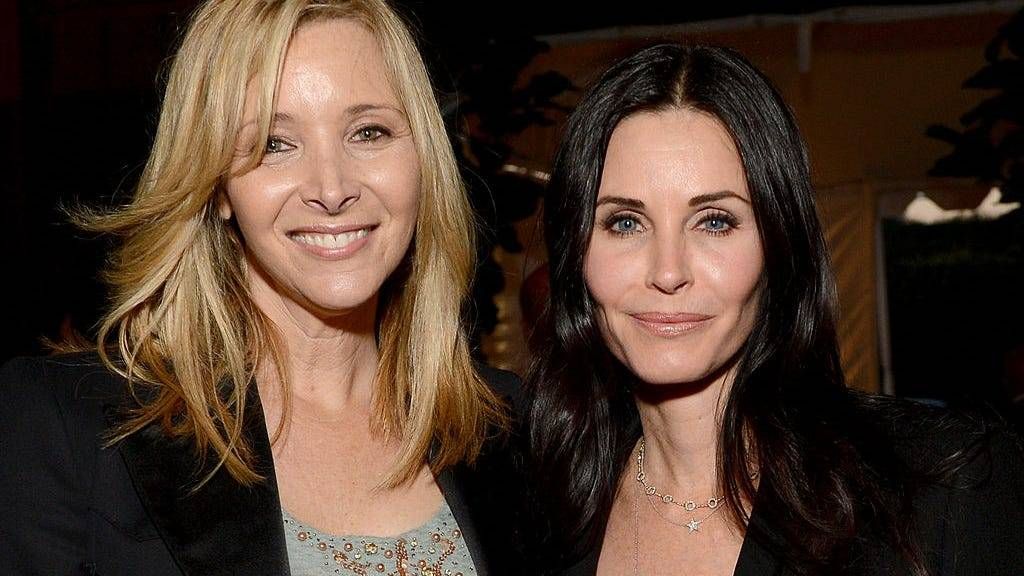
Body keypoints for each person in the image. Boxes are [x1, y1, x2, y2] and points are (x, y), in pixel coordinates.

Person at [0, 1, 523, 575]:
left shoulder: (517, 431)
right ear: (216, 184)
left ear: (422, 158)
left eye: (368, 132)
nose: (332, 188)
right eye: (275, 144)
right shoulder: (66, 427)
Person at [526, 44, 1024, 576]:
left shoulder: (946, 488)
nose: (668, 272)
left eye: (714, 221)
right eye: (625, 222)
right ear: (575, 253)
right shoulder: (531, 511)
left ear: (780, 246)